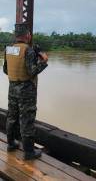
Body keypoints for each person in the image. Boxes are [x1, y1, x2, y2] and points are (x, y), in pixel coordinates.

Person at [2, 23, 48, 160]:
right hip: (26, 92)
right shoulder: (28, 50)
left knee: (11, 116)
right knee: (27, 119)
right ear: (27, 35)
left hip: (12, 89)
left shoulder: (9, 49)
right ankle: (29, 152)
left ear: (15, 36)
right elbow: (32, 71)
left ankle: (11, 144)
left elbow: (5, 70)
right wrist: (44, 61)